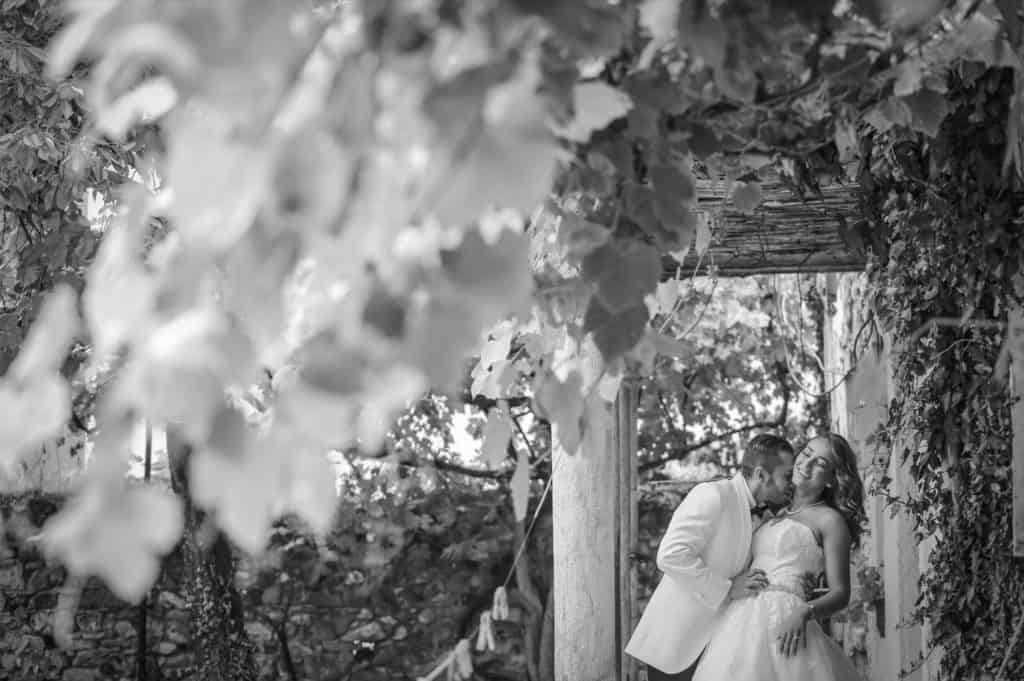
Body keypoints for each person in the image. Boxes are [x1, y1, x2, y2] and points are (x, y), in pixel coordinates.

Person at [690, 433, 868, 681]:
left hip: (789, 622)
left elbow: (840, 593)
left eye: (821, 464)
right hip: (741, 619)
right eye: (807, 453)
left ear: (831, 480)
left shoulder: (830, 521)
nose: (806, 464)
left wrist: (805, 611)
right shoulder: (775, 513)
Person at [625, 434, 796, 681]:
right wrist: (727, 588)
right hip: (680, 644)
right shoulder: (713, 494)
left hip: (722, 646)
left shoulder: (763, 515)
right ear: (761, 474)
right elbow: (671, 556)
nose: (791, 483)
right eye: (787, 475)